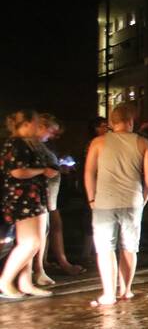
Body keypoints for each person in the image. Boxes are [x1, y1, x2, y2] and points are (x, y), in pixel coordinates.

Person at [84, 103, 148, 306]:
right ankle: (126, 290)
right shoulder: (142, 143)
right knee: (129, 247)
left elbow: (89, 172)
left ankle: (108, 293)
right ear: (130, 121)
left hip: (104, 201)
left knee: (106, 248)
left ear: (112, 123)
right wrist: (144, 197)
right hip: (132, 201)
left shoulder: (98, 142)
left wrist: (91, 198)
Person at [0, 110, 59, 298]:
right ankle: (5, 280)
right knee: (30, 242)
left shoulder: (26, 143)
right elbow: (17, 172)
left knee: (32, 241)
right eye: (34, 122)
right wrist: (42, 171)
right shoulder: (16, 144)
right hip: (22, 198)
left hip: (32, 197)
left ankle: (25, 283)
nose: (37, 126)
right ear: (25, 124)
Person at [31, 114, 84, 283]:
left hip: (49, 194)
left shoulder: (43, 145)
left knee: (47, 228)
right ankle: (38, 269)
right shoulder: (32, 145)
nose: (54, 136)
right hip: (41, 196)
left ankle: (41, 266)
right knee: (41, 231)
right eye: (52, 132)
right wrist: (50, 170)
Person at [79, 116, 109, 261]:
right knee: (90, 216)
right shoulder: (93, 144)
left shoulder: (108, 142)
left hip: (106, 185)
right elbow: (89, 168)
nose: (105, 129)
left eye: (106, 125)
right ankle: (88, 251)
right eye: (101, 126)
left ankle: (94, 250)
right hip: (94, 185)